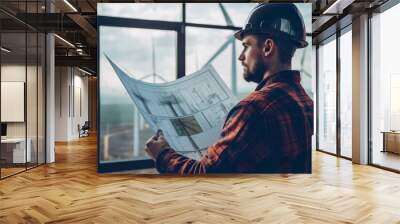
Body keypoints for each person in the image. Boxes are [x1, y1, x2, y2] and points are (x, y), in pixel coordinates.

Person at [145, 3, 313, 174]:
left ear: (267, 47)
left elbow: (206, 176)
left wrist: (162, 154)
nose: (241, 57)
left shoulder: (254, 109)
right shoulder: (305, 101)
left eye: (246, 46)